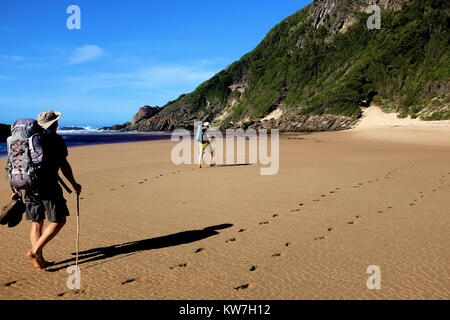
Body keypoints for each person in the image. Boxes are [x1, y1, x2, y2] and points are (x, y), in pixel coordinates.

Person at [19, 110, 82, 270]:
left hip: (29, 184)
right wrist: (74, 184)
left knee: (36, 222)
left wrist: (16, 188)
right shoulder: (55, 140)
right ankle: (35, 252)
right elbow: (64, 166)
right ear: (55, 124)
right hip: (48, 185)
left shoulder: (30, 139)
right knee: (59, 220)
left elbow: (19, 164)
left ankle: (39, 261)